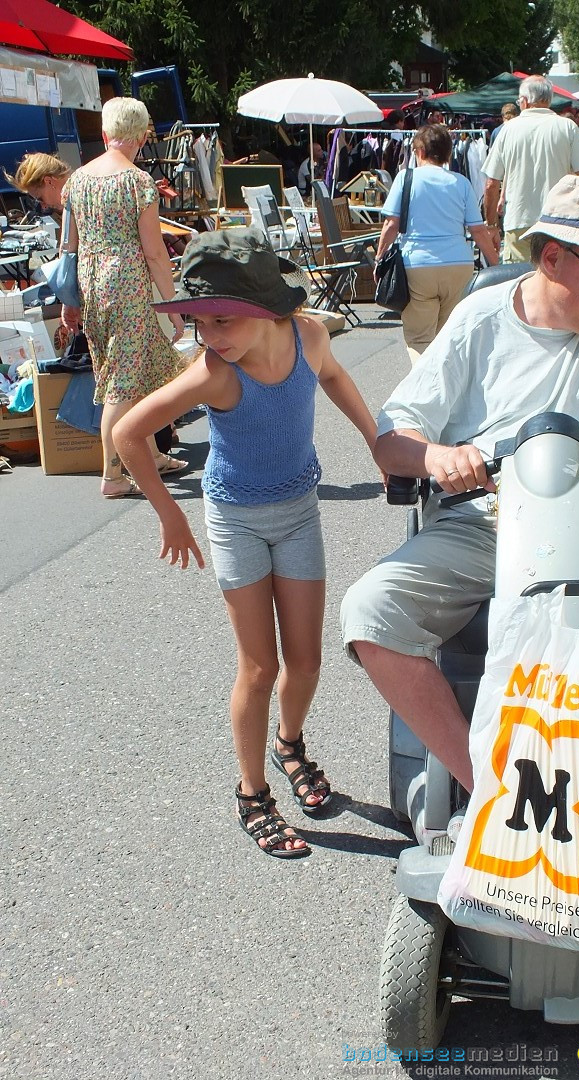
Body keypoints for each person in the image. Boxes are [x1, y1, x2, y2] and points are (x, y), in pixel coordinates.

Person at [341, 176, 579, 793]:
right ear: (552, 255)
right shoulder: (478, 319)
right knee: (369, 611)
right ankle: (491, 793)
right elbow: (391, 439)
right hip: (484, 519)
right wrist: (437, 458)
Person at [113, 228, 379, 858]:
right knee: (258, 667)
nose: (210, 335)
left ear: (267, 311)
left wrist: (377, 441)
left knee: (308, 661)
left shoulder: (310, 335)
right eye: (199, 322)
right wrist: (169, 516)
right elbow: (128, 433)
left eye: (223, 319)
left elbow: (335, 376)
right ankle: (252, 792)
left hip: (297, 511)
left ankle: (289, 745)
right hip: (234, 518)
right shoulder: (211, 374)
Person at [60, 97, 186, 499]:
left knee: (135, 371)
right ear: (142, 136)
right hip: (128, 284)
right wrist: (173, 304)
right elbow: (154, 252)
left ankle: (148, 454)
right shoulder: (137, 182)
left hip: (92, 284)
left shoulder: (76, 180)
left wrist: (69, 300)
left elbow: (69, 247)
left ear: (104, 134)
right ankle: (112, 474)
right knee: (123, 382)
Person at [373, 124, 499, 365]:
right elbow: (478, 230)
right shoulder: (460, 182)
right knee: (448, 337)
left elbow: (391, 225)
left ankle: (425, 391)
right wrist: (495, 264)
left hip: (417, 265)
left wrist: (380, 260)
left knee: (420, 340)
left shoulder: (405, 179)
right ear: (448, 153)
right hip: (458, 266)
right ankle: (448, 392)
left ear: (419, 151)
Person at [482, 76, 579, 263]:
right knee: (556, 283)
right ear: (549, 100)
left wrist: (492, 226)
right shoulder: (567, 127)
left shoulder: (507, 130)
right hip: (559, 222)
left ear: (524, 101)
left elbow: (491, 184)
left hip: (519, 220)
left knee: (521, 285)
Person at [4, 152, 71, 213]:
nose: (44, 207)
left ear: (49, 181)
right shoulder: (69, 207)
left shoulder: (79, 197)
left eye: (41, 199)